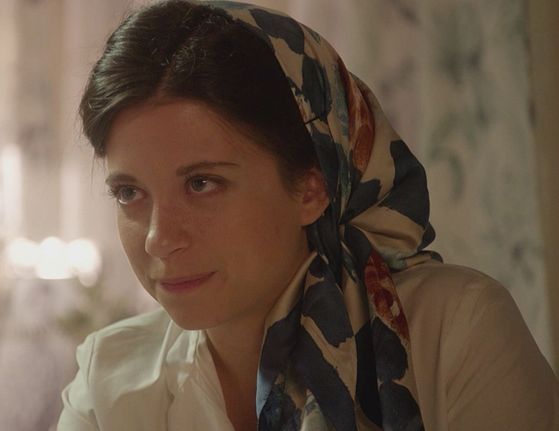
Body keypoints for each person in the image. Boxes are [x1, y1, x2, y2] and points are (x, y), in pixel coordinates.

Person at [57, 1, 559, 430]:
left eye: (202, 183)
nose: (158, 238)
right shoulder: (110, 381)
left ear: (312, 187)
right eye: (128, 193)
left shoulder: (454, 329)